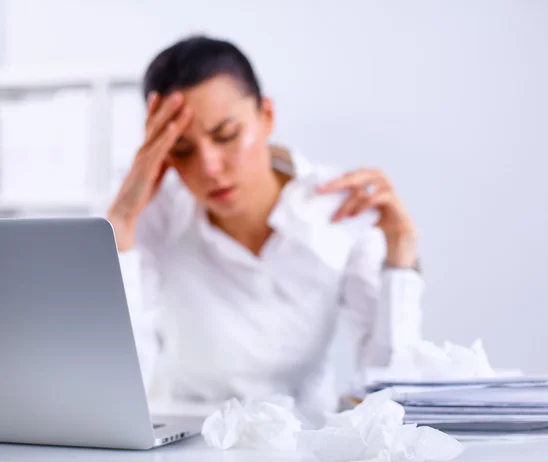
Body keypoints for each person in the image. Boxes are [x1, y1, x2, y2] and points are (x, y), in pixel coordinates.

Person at [107, 35, 423, 413]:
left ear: (267, 116)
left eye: (226, 135)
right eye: (182, 150)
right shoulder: (155, 214)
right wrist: (120, 222)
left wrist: (400, 254)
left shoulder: (339, 209)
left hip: (304, 439)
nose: (209, 167)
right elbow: (115, 382)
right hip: (191, 437)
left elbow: (391, 388)